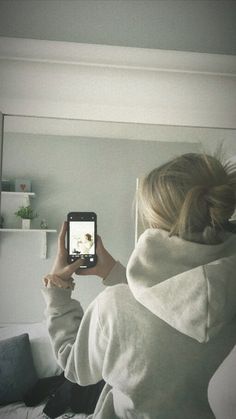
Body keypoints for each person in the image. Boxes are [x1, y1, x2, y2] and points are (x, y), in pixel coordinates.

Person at [42, 152, 236, 419]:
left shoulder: (113, 306)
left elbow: (76, 368)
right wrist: (113, 272)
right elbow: (180, 300)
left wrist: (58, 292)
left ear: (154, 221)